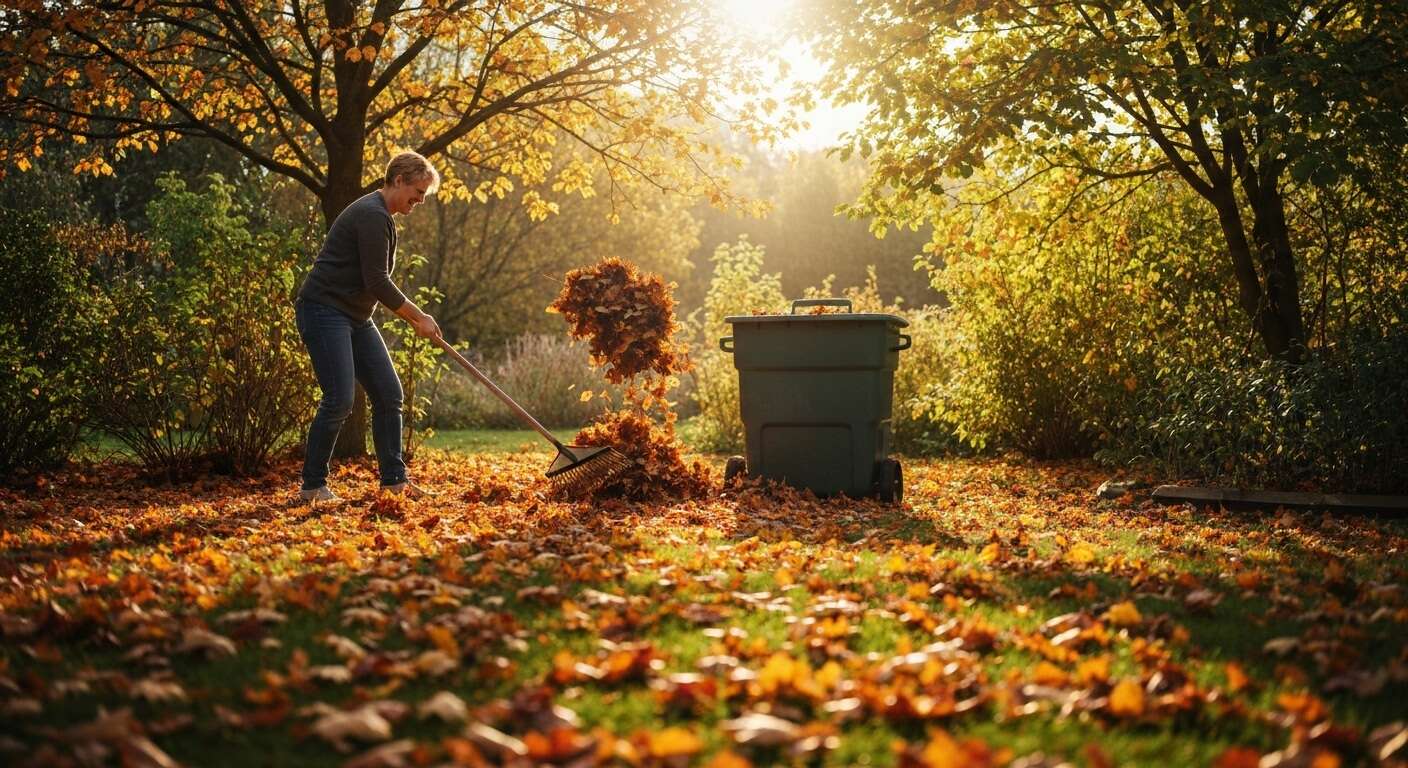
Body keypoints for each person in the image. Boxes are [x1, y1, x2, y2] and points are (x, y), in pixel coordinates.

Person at [293, 151, 443, 502]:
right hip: (324, 310)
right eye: (418, 191)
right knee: (340, 399)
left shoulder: (384, 217)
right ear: (398, 180)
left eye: (424, 195)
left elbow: (373, 282)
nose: (420, 200)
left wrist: (416, 317)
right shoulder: (372, 215)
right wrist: (419, 316)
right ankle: (312, 486)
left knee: (389, 395)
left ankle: (395, 481)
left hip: (355, 317)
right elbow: (377, 281)